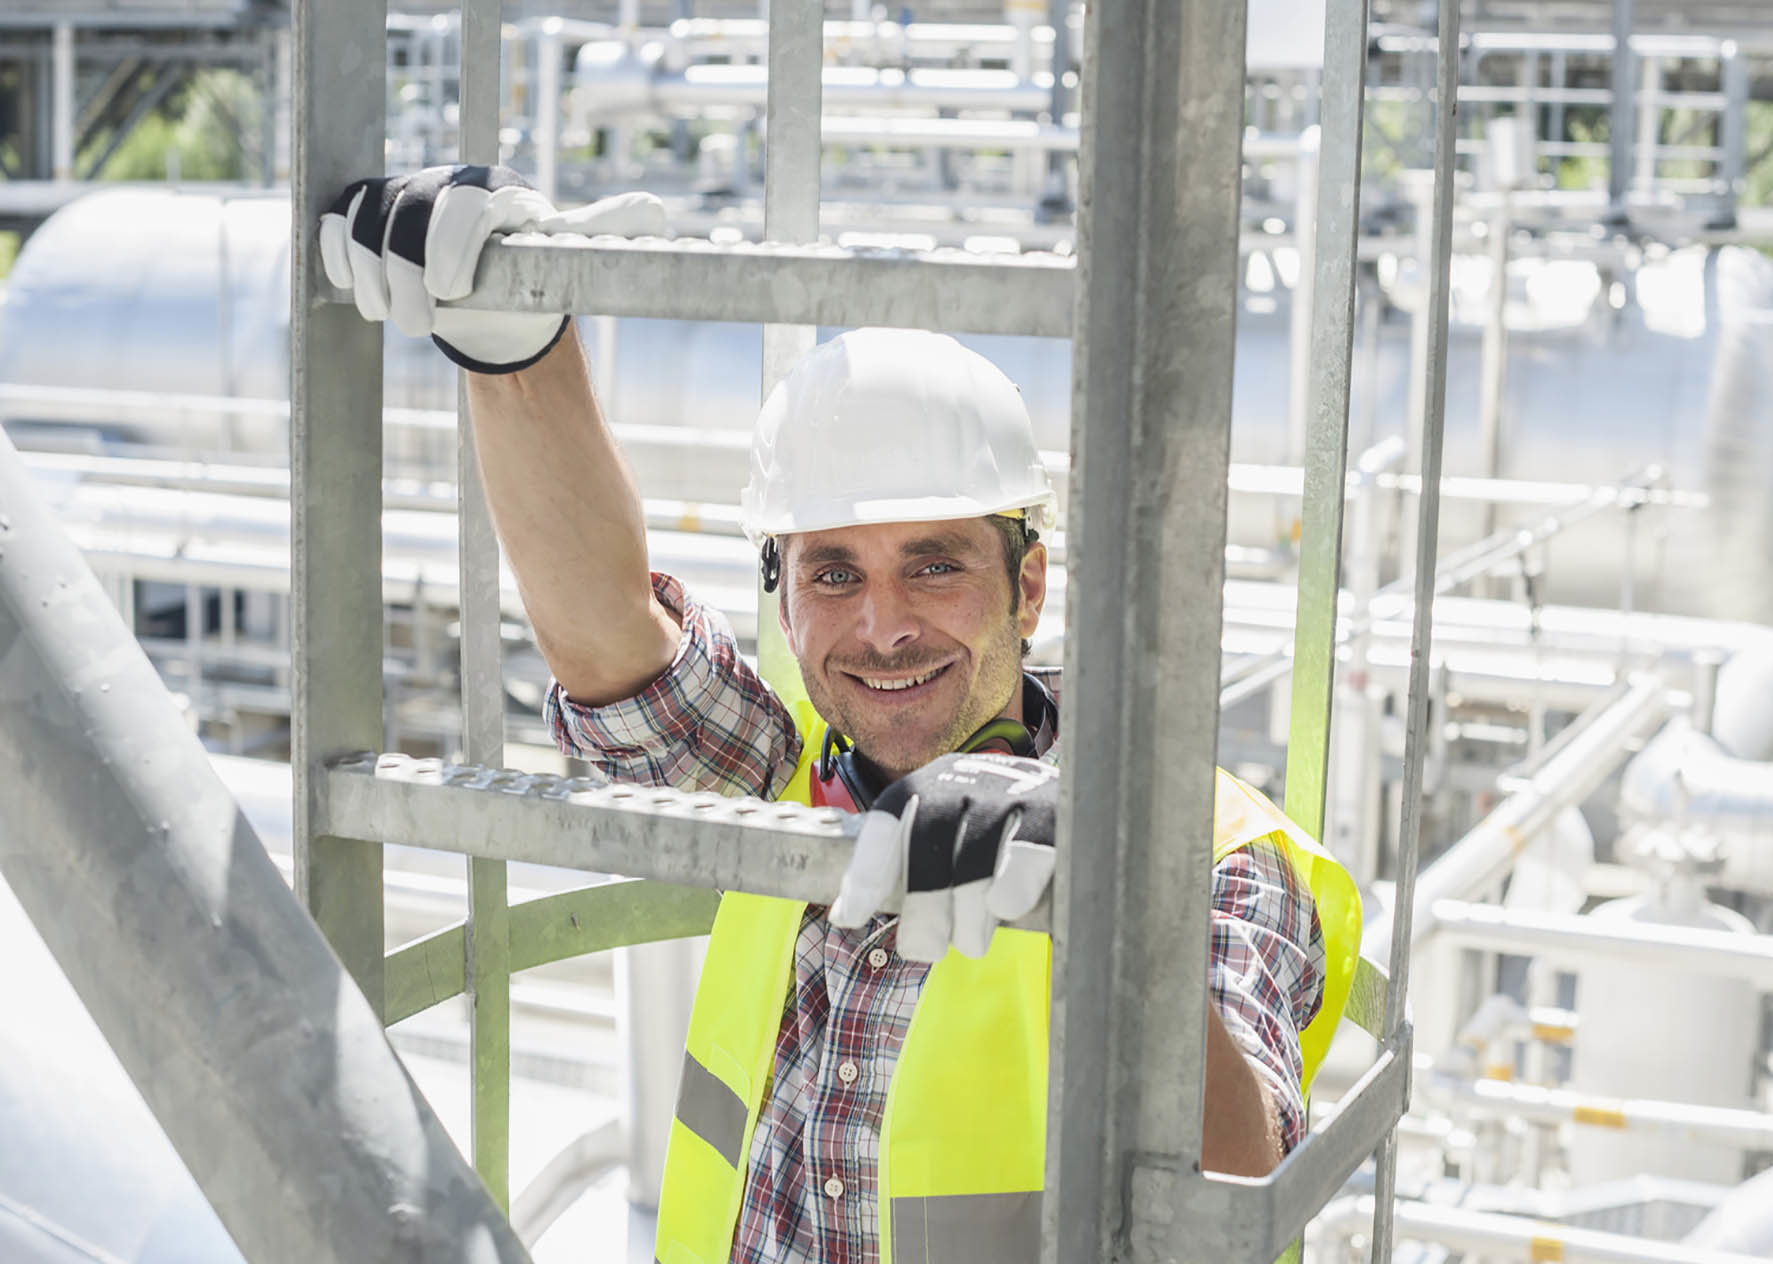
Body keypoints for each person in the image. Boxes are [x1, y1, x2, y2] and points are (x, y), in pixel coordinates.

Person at [321, 167, 1362, 1264]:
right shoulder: (787, 785)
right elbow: (613, 642)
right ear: (783, 598)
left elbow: (1241, 1188)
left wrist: (1104, 904)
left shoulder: (1209, 854)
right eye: (831, 575)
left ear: (1032, 586)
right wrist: (518, 364)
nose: (883, 627)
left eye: (933, 564)